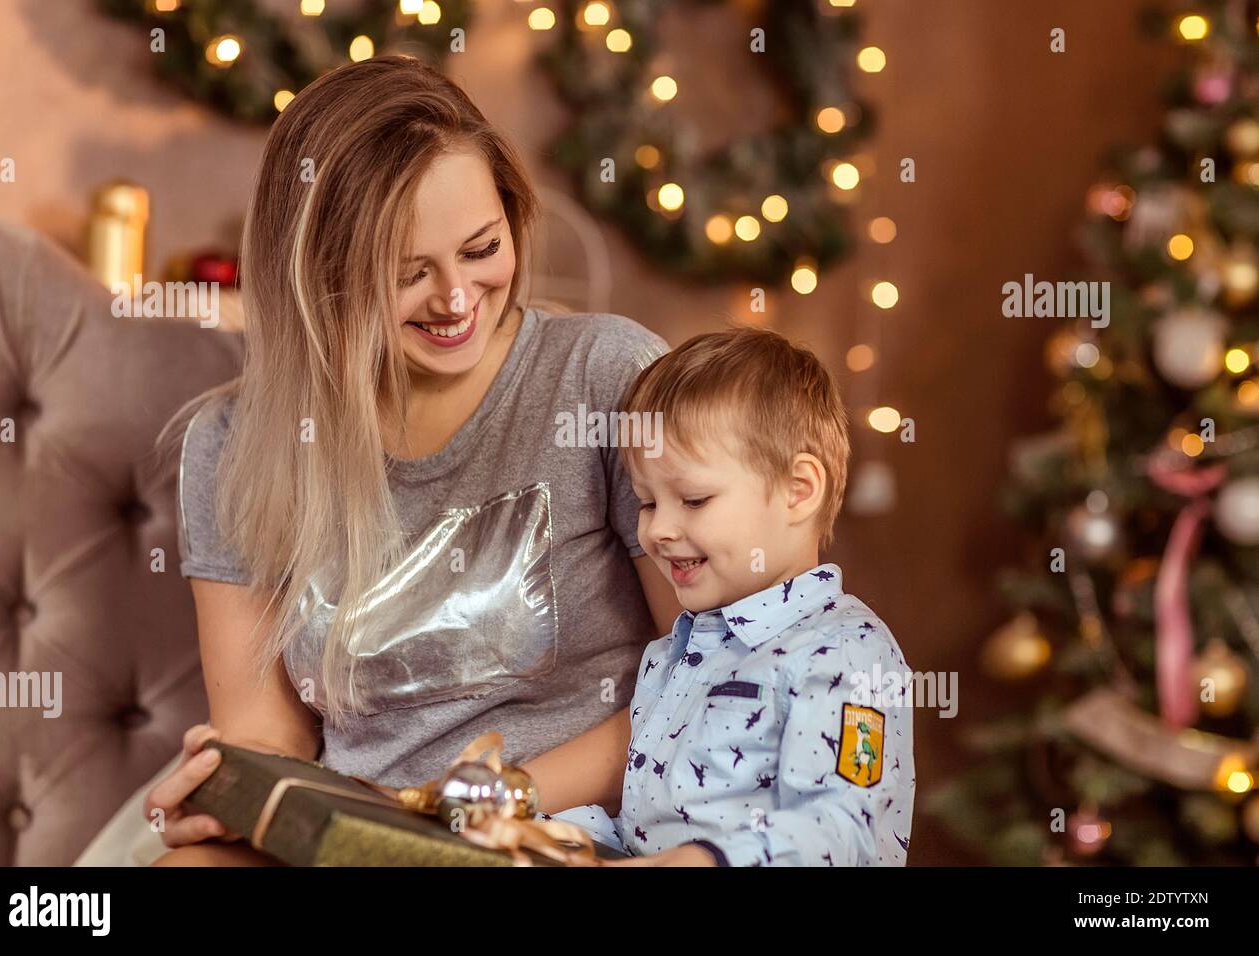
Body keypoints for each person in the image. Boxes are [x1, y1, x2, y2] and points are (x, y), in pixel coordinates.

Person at [145, 54, 681, 865]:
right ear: (318, 276)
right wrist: (237, 795)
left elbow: (706, 680)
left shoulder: (607, 377)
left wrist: (470, 810)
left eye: (481, 248)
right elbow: (269, 734)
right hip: (358, 841)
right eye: (408, 274)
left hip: (567, 826)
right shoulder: (233, 443)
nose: (457, 299)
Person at [537, 329, 916, 866]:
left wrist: (698, 860)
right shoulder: (677, 654)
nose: (658, 530)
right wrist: (549, 832)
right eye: (646, 503)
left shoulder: (848, 653)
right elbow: (648, 823)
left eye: (694, 499)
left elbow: (840, 830)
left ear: (798, 490)